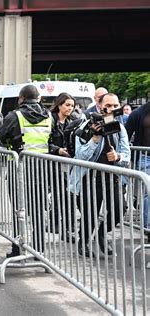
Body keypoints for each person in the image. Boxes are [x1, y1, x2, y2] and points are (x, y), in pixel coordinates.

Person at [72, 93, 130, 257]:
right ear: (99, 105)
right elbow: (80, 155)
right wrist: (95, 138)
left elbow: (127, 155)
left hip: (113, 176)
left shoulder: (120, 128)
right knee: (90, 213)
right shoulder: (86, 126)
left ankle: (102, 233)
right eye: (109, 105)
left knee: (120, 209)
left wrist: (118, 157)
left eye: (115, 105)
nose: (112, 109)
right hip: (90, 177)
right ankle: (83, 242)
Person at [0, 84, 52, 258]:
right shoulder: (48, 116)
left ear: (21, 99)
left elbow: (1, 136)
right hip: (41, 169)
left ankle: (17, 248)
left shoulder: (15, 116)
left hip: (19, 168)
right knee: (37, 210)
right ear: (38, 99)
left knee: (18, 210)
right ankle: (39, 251)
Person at [48, 93, 77, 241]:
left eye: (72, 105)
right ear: (59, 105)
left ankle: (65, 227)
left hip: (68, 164)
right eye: (67, 105)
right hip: (52, 163)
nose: (70, 108)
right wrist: (57, 150)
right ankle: (66, 229)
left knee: (66, 195)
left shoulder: (73, 121)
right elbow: (44, 141)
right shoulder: (50, 120)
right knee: (62, 195)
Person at [126, 101, 150, 229]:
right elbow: (126, 135)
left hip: (144, 156)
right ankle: (148, 227)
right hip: (145, 157)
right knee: (148, 192)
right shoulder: (138, 113)